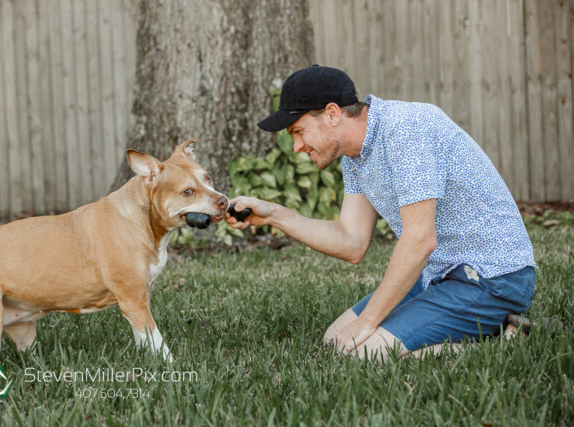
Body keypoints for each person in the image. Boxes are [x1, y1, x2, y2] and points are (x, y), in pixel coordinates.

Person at [225, 65, 536, 360]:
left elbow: (419, 240)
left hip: (490, 278)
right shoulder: (355, 154)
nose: (296, 146)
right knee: (334, 342)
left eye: (299, 131)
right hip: (438, 275)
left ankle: (503, 340)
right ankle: (475, 328)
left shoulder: (405, 129)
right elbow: (352, 242)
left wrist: (366, 323)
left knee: (364, 354)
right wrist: (274, 215)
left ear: (332, 114)